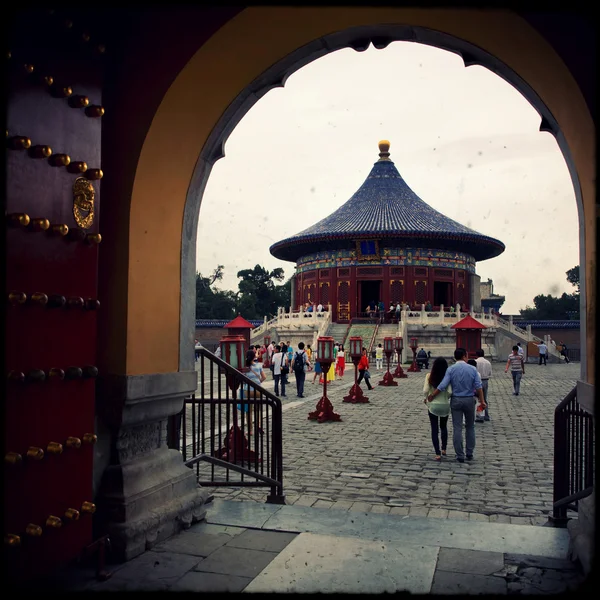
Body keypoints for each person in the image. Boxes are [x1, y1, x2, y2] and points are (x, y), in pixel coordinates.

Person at [427, 348, 485, 463]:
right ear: (464, 356)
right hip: (469, 399)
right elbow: (479, 387)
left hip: (456, 400)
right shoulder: (473, 369)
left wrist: (432, 395)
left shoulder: (451, 369)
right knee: (470, 427)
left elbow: (443, 385)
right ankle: (469, 452)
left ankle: (459, 454)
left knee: (457, 427)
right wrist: (482, 401)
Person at [423, 357, 452, 460]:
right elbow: (450, 392)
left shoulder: (429, 376)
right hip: (444, 405)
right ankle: (444, 448)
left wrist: (427, 398)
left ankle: (437, 453)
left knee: (434, 428)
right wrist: (445, 398)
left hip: (433, 406)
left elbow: (425, 391)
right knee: (443, 427)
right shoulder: (447, 377)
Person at [238, 350, 266, 431]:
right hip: (258, 389)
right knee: (258, 410)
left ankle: (250, 430)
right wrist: (258, 382)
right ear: (254, 356)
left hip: (248, 389)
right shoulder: (259, 365)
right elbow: (264, 377)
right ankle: (259, 426)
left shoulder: (245, 367)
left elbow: (242, 379)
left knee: (249, 411)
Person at [475, 348, 492, 422]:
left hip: (477, 381)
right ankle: (486, 415)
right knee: (484, 398)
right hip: (485, 381)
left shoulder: (475, 362)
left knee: (478, 399)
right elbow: (490, 373)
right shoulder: (488, 362)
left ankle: (480, 415)